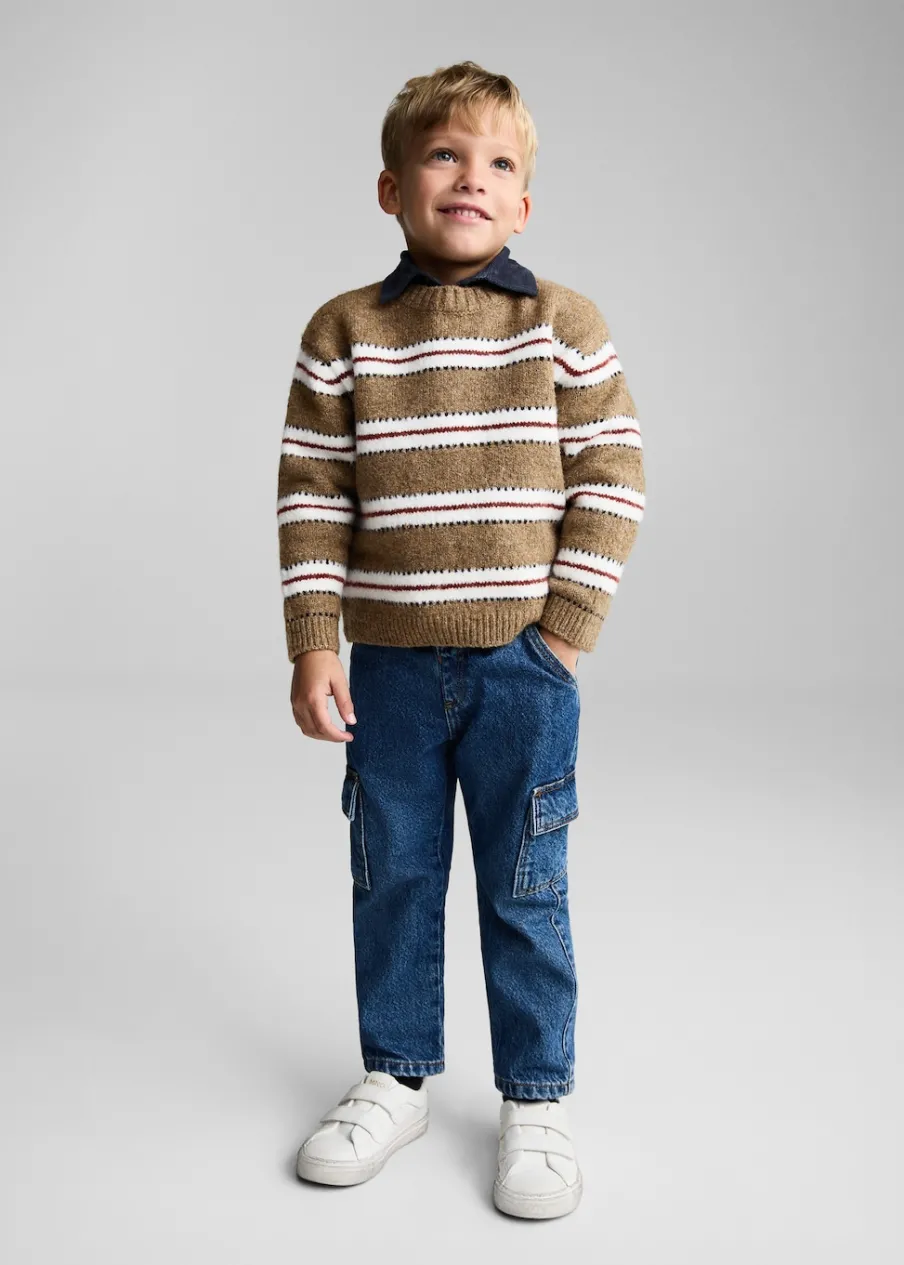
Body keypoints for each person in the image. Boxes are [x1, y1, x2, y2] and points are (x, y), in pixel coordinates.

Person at [277, 59, 645, 1220]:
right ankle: (395, 1074)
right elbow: (312, 496)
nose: (470, 179)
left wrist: (562, 637)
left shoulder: (559, 323)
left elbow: (612, 478)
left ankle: (535, 1096)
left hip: (521, 671)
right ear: (392, 189)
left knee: (526, 885)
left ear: (523, 202)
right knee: (391, 873)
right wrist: (314, 640)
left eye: (496, 163)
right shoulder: (345, 330)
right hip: (386, 668)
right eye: (444, 155)